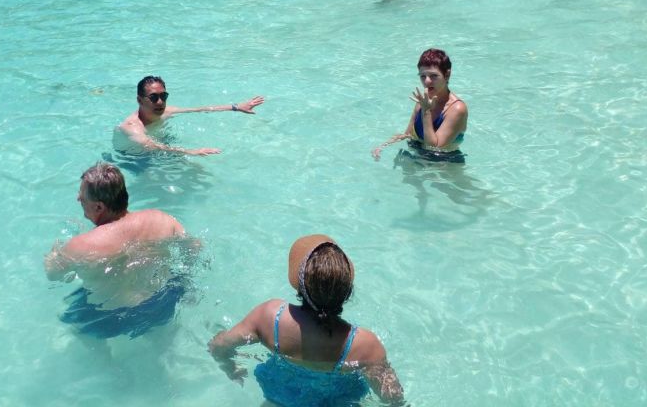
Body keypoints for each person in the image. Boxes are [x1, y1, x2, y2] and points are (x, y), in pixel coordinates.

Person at [209, 235, 404, 407]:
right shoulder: (364, 345)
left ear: (299, 286)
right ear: (347, 292)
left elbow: (218, 346)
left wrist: (230, 367)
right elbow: (393, 398)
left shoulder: (269, 316)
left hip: (280, 397)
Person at [44, 162, 191, 338]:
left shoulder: (79, 246)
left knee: (75, 325)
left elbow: (54, 275)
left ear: (99, 207)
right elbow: (194, 247)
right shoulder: (161, 219)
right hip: (165, 300)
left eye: (82, 196)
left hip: (118, 315)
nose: (78, 198)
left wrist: (53, 256)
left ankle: (106, 364)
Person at [116, 75, 265, 155]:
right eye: (154, 97)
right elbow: (150, 146)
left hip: (159, 144)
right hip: (133, 157)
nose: (160, 102)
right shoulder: (132, 127)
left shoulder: (166, 111)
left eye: (164, 96)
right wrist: (192, 151)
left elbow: (201, 109)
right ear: (139, 100)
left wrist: (236, 107)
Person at [371, 48, 468, 163]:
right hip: (418, 159)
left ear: (447, 75)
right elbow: (408, 134)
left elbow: (433, 148)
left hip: (444, 166)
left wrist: (426, 112)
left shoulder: (457, 109)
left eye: (433, 76)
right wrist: (383, 146)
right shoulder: (422, 101)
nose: (427, 81)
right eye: (423, 76)